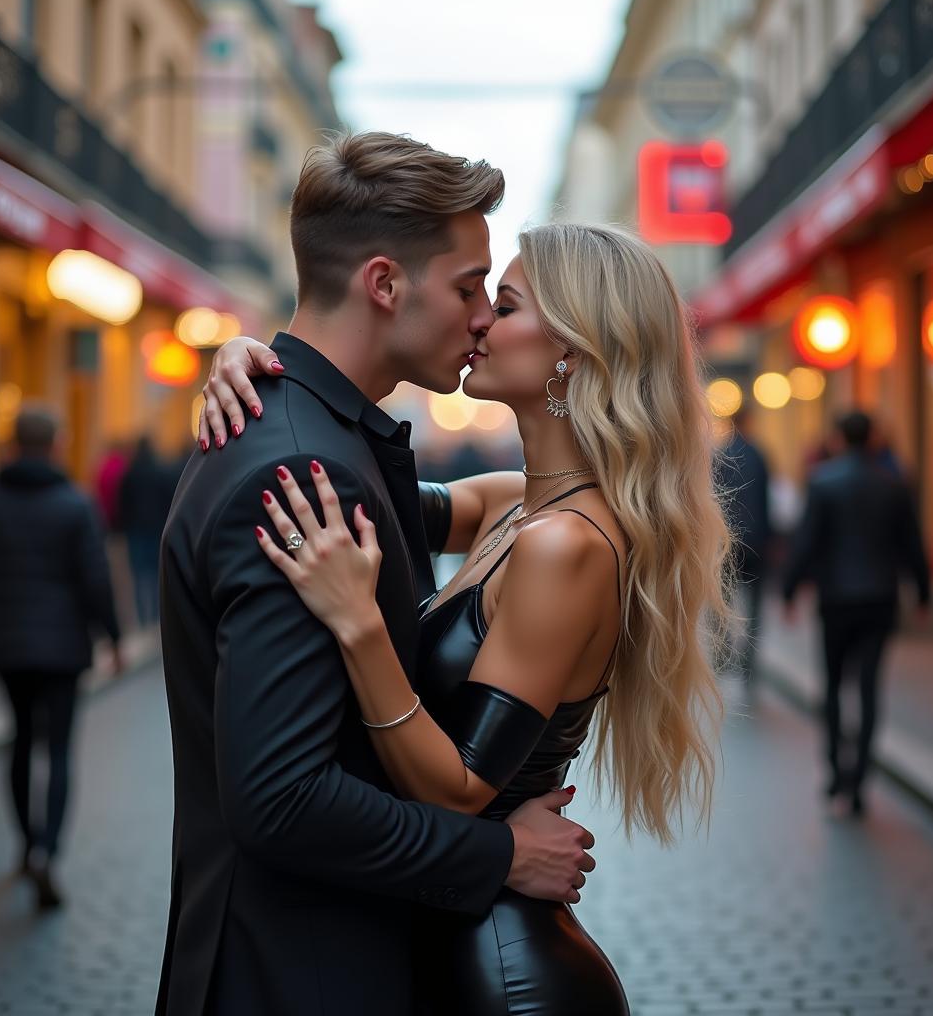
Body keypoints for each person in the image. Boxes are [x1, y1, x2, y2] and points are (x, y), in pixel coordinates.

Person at [201, 219, 730, 1013]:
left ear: (572, 355)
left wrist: (362, 626)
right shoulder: (511, 503)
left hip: (506, 973)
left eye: (505, 305)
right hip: (442, 939)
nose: (479, 319)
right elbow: (337, 485)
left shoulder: (567, 546)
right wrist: (262, 368)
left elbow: (458, 791)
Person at [156, 133, 599, 1016]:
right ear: (386, 284)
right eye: (471, 286)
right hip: (297, 975)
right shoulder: (301, 474)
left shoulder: (335, 440)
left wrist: (257, 352)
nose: (481, 315)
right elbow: (281, 799)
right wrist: (499, 857)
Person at [0, 407, 122, 908]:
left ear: (11, 445)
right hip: (62, 647)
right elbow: (95, 579)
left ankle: (26, 844)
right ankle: (48, 852)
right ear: (55, 445)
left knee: (20, 741)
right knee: (58, 752)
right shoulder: (75, 504)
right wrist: (113, 637)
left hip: (7, 644)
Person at [782, 410, 930, 816]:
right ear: (873, 438)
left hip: (836, 600)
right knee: (868, 688)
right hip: (880, 598)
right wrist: (924, 594)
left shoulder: (823, 481)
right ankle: (860, 779)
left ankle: (835, 774)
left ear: (837, 438)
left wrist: (790, 590)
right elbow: (912, 544)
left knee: (832, 687)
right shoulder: (894, 484)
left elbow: (807, 541)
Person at [716, 407, 770, 683]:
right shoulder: (759, 455)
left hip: (725, 541)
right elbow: (766, 501)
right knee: (754, 605)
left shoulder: (719, 455)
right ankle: (749, 660)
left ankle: (722, 653)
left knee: (721, 599)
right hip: (756, 540)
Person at [118, 435, 172, 626]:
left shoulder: (130, 473)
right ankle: (156, 616)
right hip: (157, 527)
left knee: (139, 575)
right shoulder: (160, 472)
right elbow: (168, 500)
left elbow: (123, 502)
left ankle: (143, 617)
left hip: (136, 528)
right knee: (156, 573)